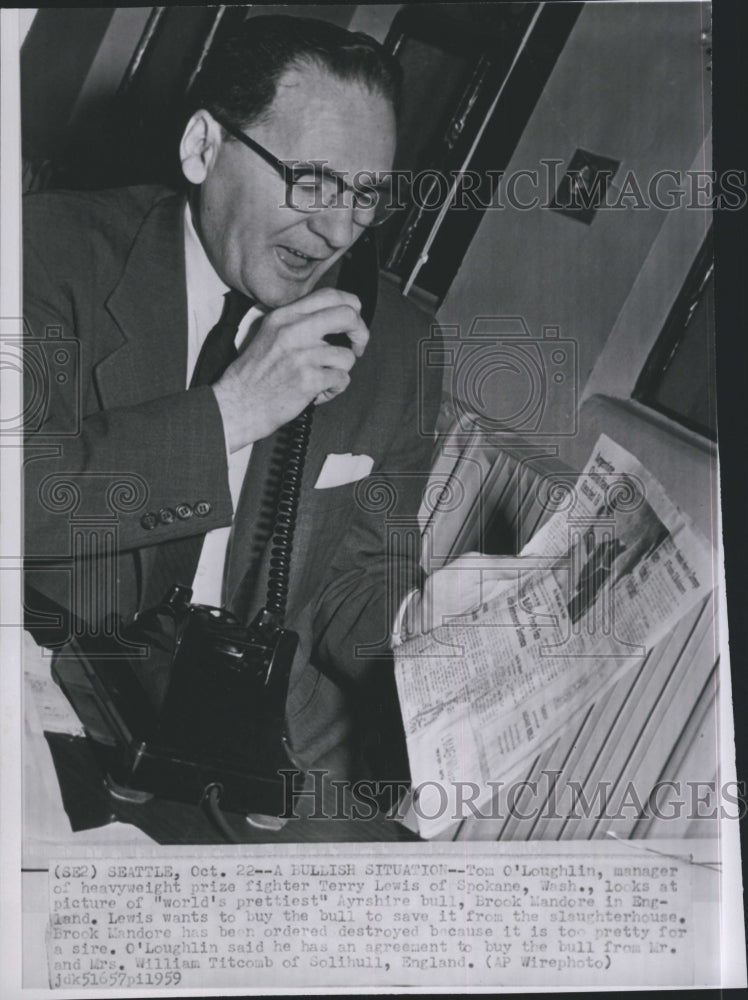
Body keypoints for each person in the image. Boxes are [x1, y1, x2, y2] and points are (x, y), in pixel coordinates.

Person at [22, 15, 443, 793]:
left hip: (237, 751)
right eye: (311, 179)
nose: (338, 227)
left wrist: (438, 647)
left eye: (368, 195)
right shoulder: (43, 251)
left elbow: (364, 578)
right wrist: (234, 411)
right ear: (204, 147)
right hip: (42, 697)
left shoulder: (401, 349)